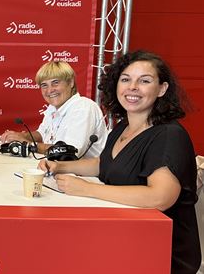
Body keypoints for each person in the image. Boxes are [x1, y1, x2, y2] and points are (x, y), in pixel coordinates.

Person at [38, 51, 200, 273]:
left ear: (162, 89)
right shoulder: (123, 127)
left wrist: (88, 189)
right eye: (126, 79)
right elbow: (106, 164)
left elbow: (160, 197)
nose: (132, 87)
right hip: (123, 235)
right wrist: (60, 166)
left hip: (159, 252)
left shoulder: (168, 135)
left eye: (144, 81)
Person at [0, 61, 108, 158]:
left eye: (55, 82)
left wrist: (27, 144)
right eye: (44, 85)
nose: (50, 90)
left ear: (71, 83)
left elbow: (69, 152)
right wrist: (22, 136)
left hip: (85, 176)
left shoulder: (84, 107)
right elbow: (42, 134)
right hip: (60, 168)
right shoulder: (53, 107)